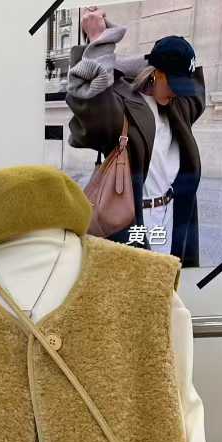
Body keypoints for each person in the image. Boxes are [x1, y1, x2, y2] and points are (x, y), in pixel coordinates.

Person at [66, 11, 205, 267]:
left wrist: (152, 61)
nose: (177, 93)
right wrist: (98, 42)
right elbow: (89, 102)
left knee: (167, 280)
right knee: (138, 284)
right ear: (156, 73)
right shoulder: (123, 106)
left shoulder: (179, 107)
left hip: (169, 217)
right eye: (173, 84)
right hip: (133, 220)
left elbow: (197, 90)